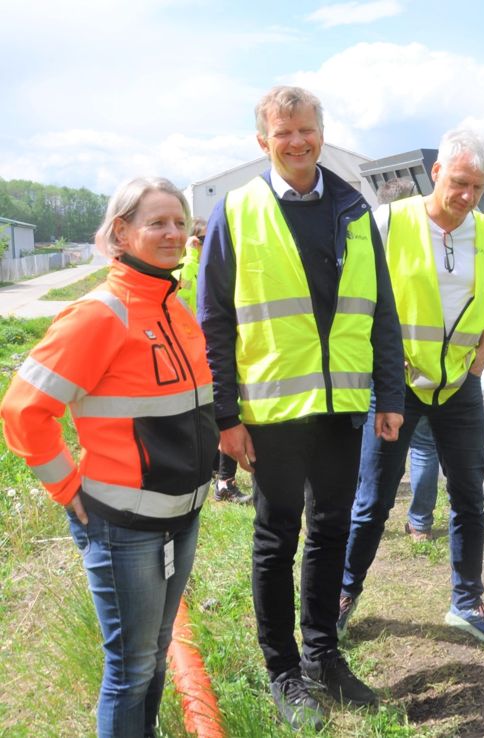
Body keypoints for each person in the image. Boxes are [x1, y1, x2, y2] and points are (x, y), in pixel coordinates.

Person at [197, 85, 406, 730]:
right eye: (282, 133)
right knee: (276, 537)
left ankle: (322, 656)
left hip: (342, 407)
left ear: (322, 132)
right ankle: (282, 670)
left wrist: (390, 396)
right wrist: (226, 420)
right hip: (274, 410)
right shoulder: (239, 211)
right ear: (263, 142)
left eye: (306, 129)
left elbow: (384, 312)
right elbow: (215, 321)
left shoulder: (353, 208)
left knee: (331, 531)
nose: (297, 142)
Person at [2, 177, 218, 738]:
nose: (172, 233)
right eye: (157, 223)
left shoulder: (172, 308)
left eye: (178, 221)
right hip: (125, 527)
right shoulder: (99, 314)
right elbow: (23, 409)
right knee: (131, 668)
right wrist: (67, 489)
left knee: (156, 650)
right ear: (121, 232)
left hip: (182, 516)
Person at [339, 127, 484, 644]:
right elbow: (359, 300)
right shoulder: (389, 222)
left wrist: (482, 354)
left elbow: (481, 297)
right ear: (436, 172)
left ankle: (466, 600)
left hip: (460, 384)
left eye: (477, 188)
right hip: (397, 384)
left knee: (469, 499)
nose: (466, 196)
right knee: (373, 500)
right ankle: (343, 596)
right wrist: (377, 376)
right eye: (458, 182)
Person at [375, 178, 442, 543]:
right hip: (422, 364)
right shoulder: (425, 244)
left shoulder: (374, 242)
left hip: (389, 365)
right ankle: (420, 524)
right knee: (424, 446)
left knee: (377, 444)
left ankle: (367, 518)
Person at [176, 217, 250, 505]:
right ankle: (218, 479)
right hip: (193, 355)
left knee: (228, 413)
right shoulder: (185, 269)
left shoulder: (223, 265)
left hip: (217, 350)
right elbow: (181, 287)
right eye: (203, 240)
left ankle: (223, 481)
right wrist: (192, 255)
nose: (210, 245)